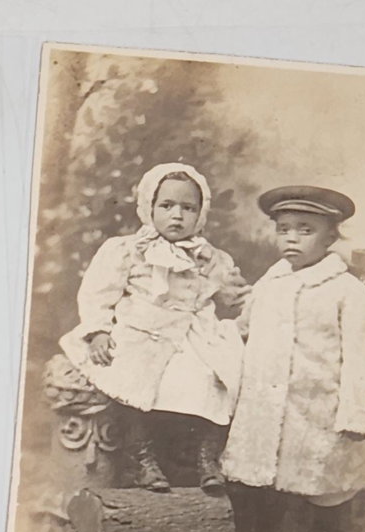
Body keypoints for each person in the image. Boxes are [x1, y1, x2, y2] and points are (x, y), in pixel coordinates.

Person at [221, 185, 365, 532]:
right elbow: (242, 333)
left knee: (326, 490)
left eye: (305, 230)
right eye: (283, 229)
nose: (291, 238)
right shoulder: (268, 286)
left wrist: (356, 413)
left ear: (331, 238)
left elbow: (364, 359)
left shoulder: (350, 294)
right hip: (266, 409)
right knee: (267, 487)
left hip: (319, 409)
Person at [55, 162, 247, 494]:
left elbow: (232, 294)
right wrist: (99, 330)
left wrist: (243, 293)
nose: (177, 216)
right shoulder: (128, 250)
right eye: (167, 206)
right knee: (135, 376)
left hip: (192, 332)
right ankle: (141, 459)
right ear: (150, 207)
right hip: (143, 328)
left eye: (188, 208)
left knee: (216, 376)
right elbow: (98, 293)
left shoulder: (209, 256)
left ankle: (206, 458)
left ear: (201, 214)